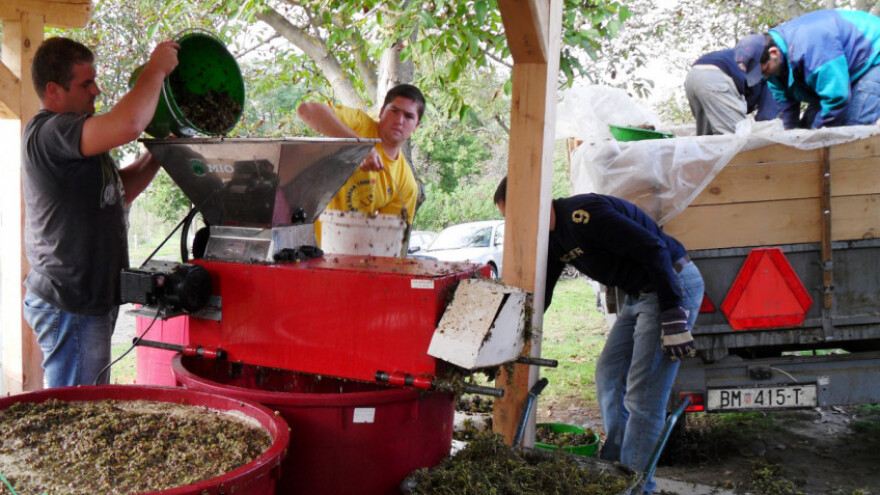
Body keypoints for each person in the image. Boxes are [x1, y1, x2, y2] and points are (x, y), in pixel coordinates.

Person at [493, 176, 704, 495]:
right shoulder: (551, 239)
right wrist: (512, 334)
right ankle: (616, 463)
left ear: (534, 201)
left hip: (670, 286)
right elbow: (543, 295)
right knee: (609, 374)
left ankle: (635, 485)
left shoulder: (582, 216)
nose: (515, 225)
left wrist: (673, 310)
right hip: (638, 296)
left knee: (643, 396)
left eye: (515, 215)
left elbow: (655, 247)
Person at [22, 37, 179, 387]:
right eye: (85, 83)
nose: (96, 91)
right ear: (53, 91)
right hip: (70, 303)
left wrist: (159, 154)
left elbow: (117, 194)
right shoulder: (51, 131)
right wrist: (155, 69)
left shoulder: (78, 139)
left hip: (87, 302)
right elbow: (129, 125)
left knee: (87, 403)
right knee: (76, 414)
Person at [297, 84, 424, 230]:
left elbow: (388, 239)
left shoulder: (406, 183)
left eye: (408, 116)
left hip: (349, 249)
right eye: (394, 111)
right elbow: (306, 110)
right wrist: (360, 147)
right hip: (303, 239)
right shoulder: (359, 124)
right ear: (382, 111)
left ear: (417, 126)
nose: (399, 120)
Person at [735, 9, 880, 130]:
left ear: (773, 53)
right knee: (808, 127)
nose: (764, 77)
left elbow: (837, 97)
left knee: (853, 128)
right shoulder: (772, 70)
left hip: (873, 57)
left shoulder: (810, 47)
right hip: (843, 72)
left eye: (764, 71)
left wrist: (817, 135)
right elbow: (786, 110)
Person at [684, 48, 779, 135]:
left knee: (708, 138)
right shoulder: (777, 83)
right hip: (717, 77)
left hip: (694, 75)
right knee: (737, 138)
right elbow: (767, 121)